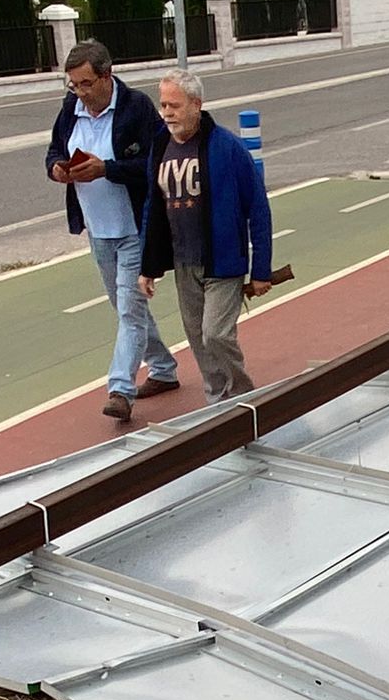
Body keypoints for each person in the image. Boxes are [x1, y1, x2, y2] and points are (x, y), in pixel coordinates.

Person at [45, 40, 179, 423]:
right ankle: (164, 368)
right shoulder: (71, 109)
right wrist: (57, 169)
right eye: (74, 85)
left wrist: (107, 169)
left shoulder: (137, 108)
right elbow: (54, 150)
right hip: (97, 229)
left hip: (135, 228)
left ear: (107, 75)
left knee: (130, 309)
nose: (81, 93)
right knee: (124, 307)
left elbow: (157, 162)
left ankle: (120, 388)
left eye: (86, 84)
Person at [138, 69, 271, 404]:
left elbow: (258, 208)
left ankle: (243, 396)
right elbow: (153, 207)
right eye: (163, 105)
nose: (167, 112)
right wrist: (148, 265)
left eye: (174, 105)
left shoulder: (227, 147)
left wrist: (261, 270)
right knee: (197, 338)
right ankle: (217, 402)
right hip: (184, 263)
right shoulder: (160, 146)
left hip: (222, 262)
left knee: (216, 334)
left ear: (196, 104)